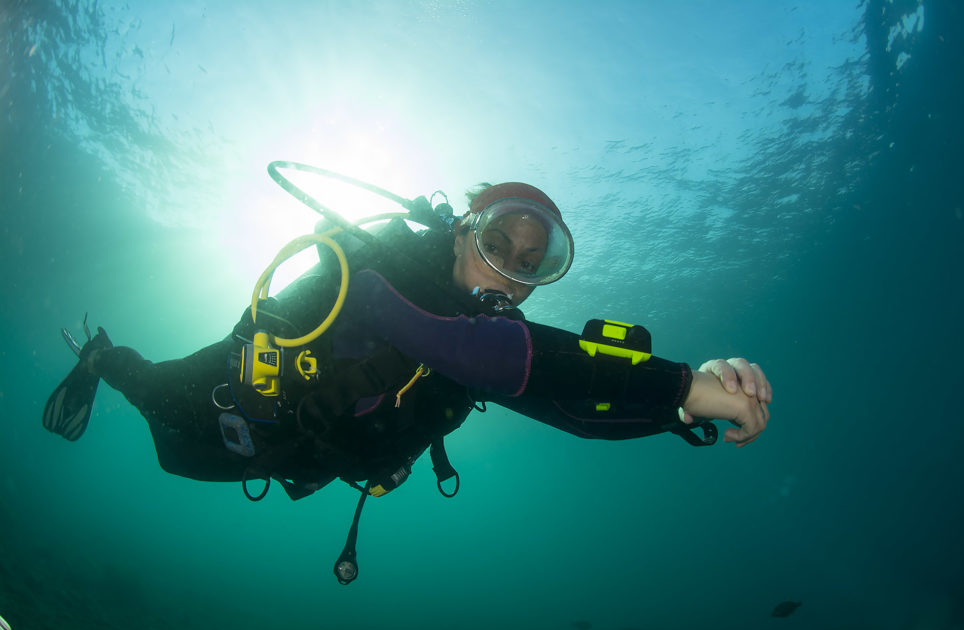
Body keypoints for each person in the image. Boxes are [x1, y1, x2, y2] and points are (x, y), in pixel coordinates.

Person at [43, 179, 770, 581]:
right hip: (211, 409)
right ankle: (100, 357)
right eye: (496, 244)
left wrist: (673, 414)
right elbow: (484, 353)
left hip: (286, 461)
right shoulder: (374, 277)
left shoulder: (487, 345)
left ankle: (108, 362)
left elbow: (573, 410)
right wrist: (678, 383)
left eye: (532, 263)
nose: (509, 275)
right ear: (460, 232)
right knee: (146, 392)